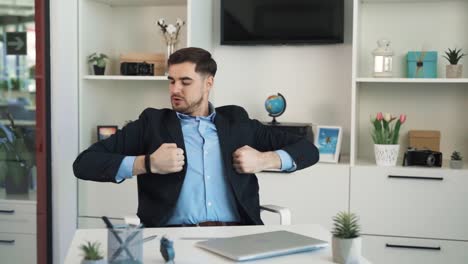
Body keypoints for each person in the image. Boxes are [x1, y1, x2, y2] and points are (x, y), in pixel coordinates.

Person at [73, 47, 319, 227]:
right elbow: (84, 164)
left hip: (236, 236)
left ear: (208, 83)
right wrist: (147, 164)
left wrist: (265, 160)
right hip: (172, 238)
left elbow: (308, 149)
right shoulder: (152, 123)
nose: (174, 90)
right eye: (171, 81)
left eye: (185, 82)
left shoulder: (238, 122)